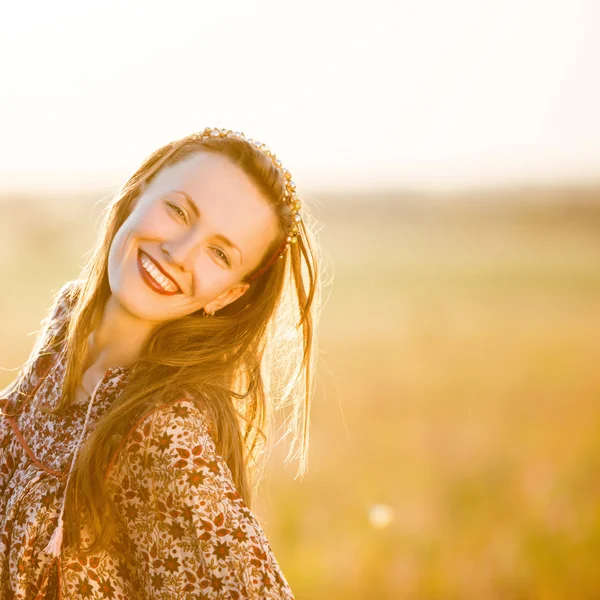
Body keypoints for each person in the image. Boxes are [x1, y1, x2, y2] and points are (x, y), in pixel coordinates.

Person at [0, 127, 321, 599]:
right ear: (139, 190)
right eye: (177, 210)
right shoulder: (67, 331)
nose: (179, 251)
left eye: (218, 252)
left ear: (228, 294)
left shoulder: (166, 429)